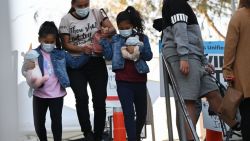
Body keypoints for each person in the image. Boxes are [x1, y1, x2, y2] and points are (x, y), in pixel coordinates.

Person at [161, 0, 230, 140]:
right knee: (189, 101)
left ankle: (236, 128)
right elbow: (179, 29)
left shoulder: (181, 4)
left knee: (213, 92)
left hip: (194, 57)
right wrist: (183, 56)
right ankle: (190, 138)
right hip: (184, 56)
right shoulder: (176, 2)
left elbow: (194, 36)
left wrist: (204, 60)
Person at [59, 0, 116, 140]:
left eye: (86, 5)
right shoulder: (66, 20)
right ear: (73, 4)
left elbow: (113, 30)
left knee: (99, 99)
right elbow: (65, 45)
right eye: (80, 6)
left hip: (96, 61)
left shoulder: (97, 13)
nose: (84, 8)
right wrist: (82, 49)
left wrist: (106, 31)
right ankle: (87, 132)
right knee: (82, 98)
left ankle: (98, 133)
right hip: (76, 64)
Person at [100, 6, 153, 141]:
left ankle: (134, 136)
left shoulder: (142, 37)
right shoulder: (116, 40)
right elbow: (109, 56)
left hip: (140, 80)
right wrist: (104, 40)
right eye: (121, 28)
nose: (124, 30)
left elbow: (149, 56)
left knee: (142, 114)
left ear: (132, 25)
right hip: (123, 82)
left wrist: (138, 48)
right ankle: (133, 139)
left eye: (126, 27)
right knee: (129, 113)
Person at [22, 21, 70, 141]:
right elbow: (25, 71)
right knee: (38, 124)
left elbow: (72, 65)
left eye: (52, 42)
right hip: (39, 95)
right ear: (39, 39)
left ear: (55, 41)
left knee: (56, 122)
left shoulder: (61, 54)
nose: (49, 44)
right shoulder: (34, 54)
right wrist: (26, 67)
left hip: (57, 95)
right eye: (46, 41)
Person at [223, 0, 250, 140]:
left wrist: (227, 71)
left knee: (247, 120)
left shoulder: (239, 16)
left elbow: (229, 48)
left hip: (246, 84)